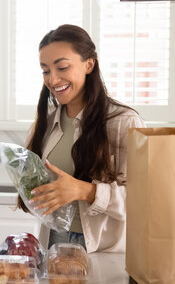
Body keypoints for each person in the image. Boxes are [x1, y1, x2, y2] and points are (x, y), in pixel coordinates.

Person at [24, 24, 145, 253]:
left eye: (62, 67)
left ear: (89, 64)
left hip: (104, 250)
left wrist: (86, 191)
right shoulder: (47, 123)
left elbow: (145, 202)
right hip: (54, 241)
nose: (53, 79)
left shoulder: (124, 123)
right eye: (46, 70)